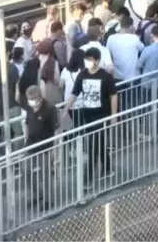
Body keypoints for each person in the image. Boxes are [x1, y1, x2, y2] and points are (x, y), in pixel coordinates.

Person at [63, 47, 117, 185]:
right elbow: (74, 93)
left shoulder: (105, 76)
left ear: (97, 61)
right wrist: (66, 109)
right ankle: (108, 168)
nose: (87, 62)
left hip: (101, 115)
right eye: (86, 59)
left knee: (93, 147)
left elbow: (113, 96)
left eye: (90, 60)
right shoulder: (82, 75)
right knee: (99, 143)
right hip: (88, 114)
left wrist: (113, 116)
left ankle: (87, 180)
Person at [23, 85, 60, 210]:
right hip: (31, 145)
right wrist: (25, 140)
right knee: (26, 171)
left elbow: (56, 130)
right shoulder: (29, 108)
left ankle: (48, 200)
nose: (32, 101)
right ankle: (37, 194)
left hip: (45, 147)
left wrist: (55, 150)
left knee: (45, 175)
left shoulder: (50, 109)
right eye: (30, 99)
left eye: (34, 98)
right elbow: (27, 123)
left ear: (40, 97)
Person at [107, 16, 144, 111]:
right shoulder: (134, 38)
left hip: (117, 75)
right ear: (131, 26)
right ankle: (135, 120)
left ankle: (121, 122)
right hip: (133, 76)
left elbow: (108, 54)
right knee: (134, 102)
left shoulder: (111, 38)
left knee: (120, 102)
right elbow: (142, 49)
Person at [0, 41, 22, 137]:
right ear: (8, 52)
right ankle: (18, 151)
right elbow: (17, 90)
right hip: (12, 105)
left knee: (4, 132)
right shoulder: (13, 68)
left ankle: (6, 151)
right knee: (18, 132)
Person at [59, 50, 84, 129]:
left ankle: (77, 138)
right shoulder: (84, 70)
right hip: (82, 101)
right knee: (81, 123)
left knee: (75, 122)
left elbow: (60, 86)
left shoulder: (65, 70)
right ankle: (80, 139)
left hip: (69, 101)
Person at [36, 40, 62, 106]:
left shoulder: (36, 61)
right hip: (52, 91)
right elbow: (57, 79)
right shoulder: (54, 62)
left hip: (39, 92)